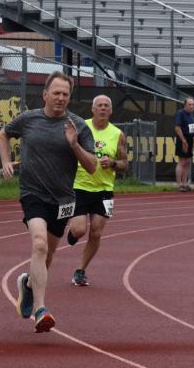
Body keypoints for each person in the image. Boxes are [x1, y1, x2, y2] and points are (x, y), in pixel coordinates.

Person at [0, 71, 97, 333]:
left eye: (65, 94)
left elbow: (93, 166)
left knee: (49, 254)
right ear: (45, 95)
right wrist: (6, 161)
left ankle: (28, 284)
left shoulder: (78, 126)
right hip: (32, 193)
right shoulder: (29, 119)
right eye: (56, 93)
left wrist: (74, 145)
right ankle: (41, 310)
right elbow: (2, 134)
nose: (61, 98)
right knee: (39, 245)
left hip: (62, 199)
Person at [66, 95, 128, 288]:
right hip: (79, 186)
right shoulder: (80, 126)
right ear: (92, 109)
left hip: (104, 189)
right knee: (79, 229)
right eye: (99, 105)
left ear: (110, 110)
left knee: (96, 232)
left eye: (106, 106)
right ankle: (73, 234)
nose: (102, 108)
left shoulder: (117, 134)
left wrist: (114, 163)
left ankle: (80, 270)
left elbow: (125, 164)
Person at [174, 98, 194, 192]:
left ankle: (185, 183)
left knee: (188, 162)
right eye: (189, 104)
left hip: (190, 139)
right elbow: (177, 127)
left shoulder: (191, 115)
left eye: (193, 104)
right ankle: (179, 184)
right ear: (185, 105)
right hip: (183, 139)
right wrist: (183, 141)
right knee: (182, 161)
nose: (192, 106)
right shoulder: (181, 113)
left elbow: (192, 129)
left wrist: (193, 140)